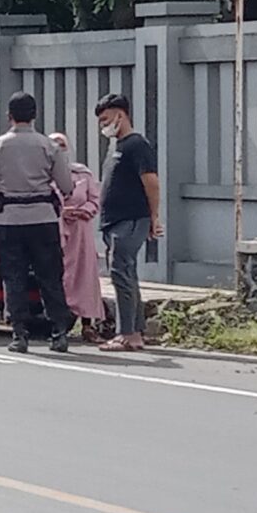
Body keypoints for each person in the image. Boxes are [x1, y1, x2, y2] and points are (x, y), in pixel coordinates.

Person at [0, 91, 75, 353]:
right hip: (43, 218)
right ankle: (59, 333)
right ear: (35, 116)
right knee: (50, 276)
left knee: (13, 277)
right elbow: (66, 185)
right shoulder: (49, 146)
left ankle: (19, 334)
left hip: (8, 220)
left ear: (9, 117)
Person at [92, 92, 162, 351]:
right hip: (114, 222)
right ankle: (138, 330)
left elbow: (151, 182)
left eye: (106, 119)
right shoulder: (117, 147)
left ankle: (127, 333)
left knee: (121, 273)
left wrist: (154, 216)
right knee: (128, 274)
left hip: (130, 220)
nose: (103, 126)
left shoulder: (136, 145)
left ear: (121, 115)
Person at [51, 132, 107, 337]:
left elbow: (95, 199)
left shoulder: (83, 174)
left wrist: (85, 210)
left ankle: (88, 323)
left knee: (85, 276)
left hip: (81, 233)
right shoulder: (43, 174)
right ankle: (60, 322)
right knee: (60, 276)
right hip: (56, 231)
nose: (59, 149)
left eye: (62, 145)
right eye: (54, 145)